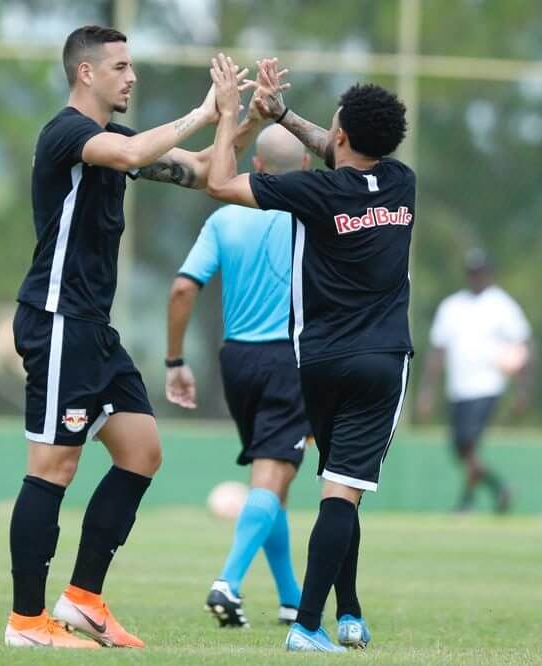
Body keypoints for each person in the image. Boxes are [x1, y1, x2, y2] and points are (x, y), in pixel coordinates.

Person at [4, 26, 266, 649]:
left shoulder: (120, 139)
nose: (132, 76)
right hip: (58, 319)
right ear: (86, 73)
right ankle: (25, 623)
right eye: (121, 66)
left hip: (95, 328)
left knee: (142, 452)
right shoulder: (67, 132)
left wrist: (242, 119)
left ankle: (83, 601)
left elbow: (205, 172)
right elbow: (126, 156)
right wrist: (203, 110)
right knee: (52, 466)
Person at [205, 55, 414, 652]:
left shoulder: (316, 191)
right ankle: (308, 625)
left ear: (342, 135)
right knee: (344, 491)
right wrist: (288, 116)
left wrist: (233, 118)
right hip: (381, 362)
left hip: (316, 360)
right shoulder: (402, 183)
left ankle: (346, 612)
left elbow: (220, 181)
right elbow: (343, 151)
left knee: (337, 486)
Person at [165, 124, 310, 628]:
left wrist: (174, 360)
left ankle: (292, 598)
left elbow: (184, 290)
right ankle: (228, 582)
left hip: (236, 362)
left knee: (275, 484)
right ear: (308, 170)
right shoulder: (316, 218)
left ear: (257, 169)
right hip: (290, 360)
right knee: (272, 477)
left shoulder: (224, 218)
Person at [417, 249, 531, 513]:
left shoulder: (502, 305)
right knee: (461, 449)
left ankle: (468, 502)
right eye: (472, 272)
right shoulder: (452, 305)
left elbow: (523, 344)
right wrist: (427, 392)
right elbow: (437, 351)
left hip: (487, 385)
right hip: (458, 387)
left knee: (467, 442)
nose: (477, 277)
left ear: (489, 274)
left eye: (481, 272)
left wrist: (524, 389)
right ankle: (497, 489)